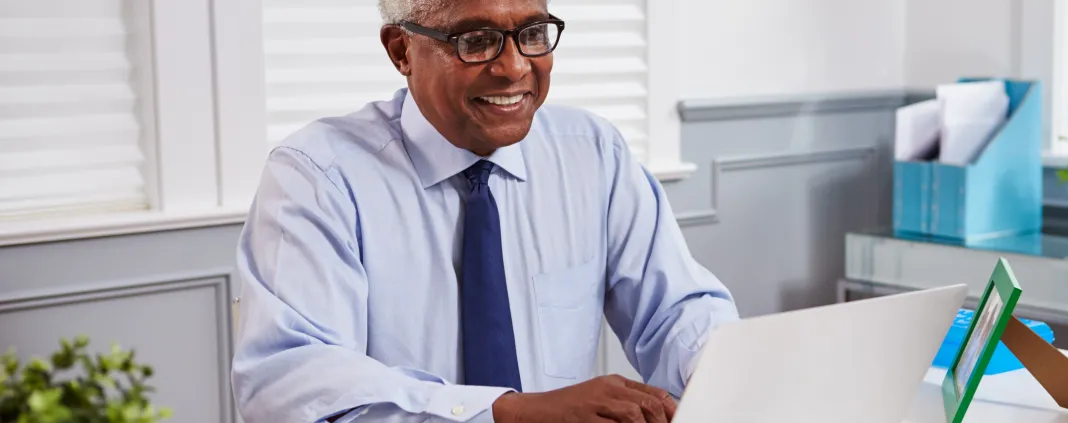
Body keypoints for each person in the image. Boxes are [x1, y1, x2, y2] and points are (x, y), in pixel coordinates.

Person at [230, 0, 740, 421]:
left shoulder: (592, 153)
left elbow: (676, 308)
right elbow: (289, 386)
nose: (514, 67)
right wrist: (505, 413)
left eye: (533, 33)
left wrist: (719, 372)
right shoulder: (316, 176)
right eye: (475, 41)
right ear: (401, 50)